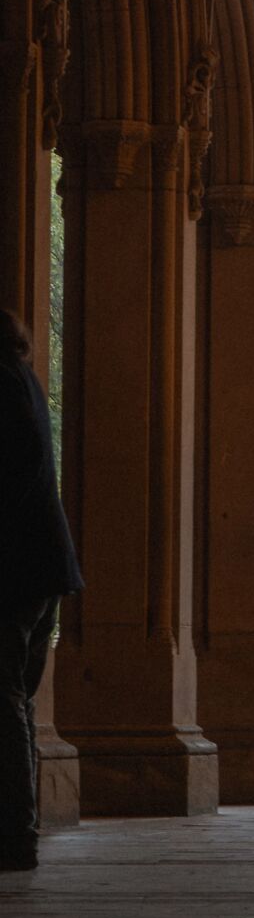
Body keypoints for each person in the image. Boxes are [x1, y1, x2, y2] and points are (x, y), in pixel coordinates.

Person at [0, 309, 81, 872]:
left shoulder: (3, 385)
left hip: (16, 569)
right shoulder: (21, 378)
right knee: (16, 700)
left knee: (4, 700)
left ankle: (16, 835)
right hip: (40, 566)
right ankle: (18, 833)